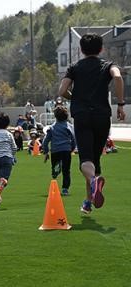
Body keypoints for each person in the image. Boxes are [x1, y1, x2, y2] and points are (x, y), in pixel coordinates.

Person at [58, 33, 126, 214]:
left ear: (81, 49)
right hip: (102, 116)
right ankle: (88, 202)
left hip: (82, 116)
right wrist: (120, 104)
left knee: (85, 160)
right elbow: (118, 77)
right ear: (101, 48)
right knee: (94, 159)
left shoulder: (75, 67)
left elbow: (62, 90)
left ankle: (94, 183)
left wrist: (75, 99)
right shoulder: (107, 65)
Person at [42, 106, 76, 196]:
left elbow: (45, 141)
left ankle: (55, 171)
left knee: (55, 167)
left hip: (55, 150)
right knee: (66, 170)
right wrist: (72, 148)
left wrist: (46, 151)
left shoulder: (52, 128)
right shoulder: (69, 127)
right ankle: (65, 189)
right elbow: (74, 139)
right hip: (66, 150)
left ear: (55, 116)